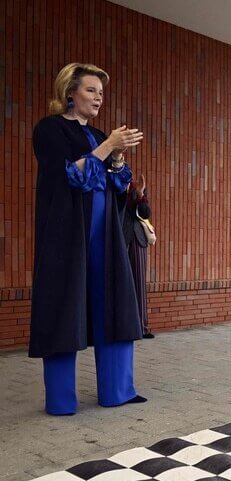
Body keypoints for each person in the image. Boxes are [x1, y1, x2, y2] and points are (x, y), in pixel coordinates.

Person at [30, 62, 147, 415]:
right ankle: (62, 401)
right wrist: (108, 145)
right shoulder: (49, 130)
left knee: (113, 303)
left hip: (104, 233)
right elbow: (71, 176)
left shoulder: (97, 135)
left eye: (101, 92)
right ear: (70, 93)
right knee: (64, 307)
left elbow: (114, 183)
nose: (98, 97)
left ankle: (117, 390)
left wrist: (117, 160)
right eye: (91, 90)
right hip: (68, 235)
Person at [124, 174, 153, 339]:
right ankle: (124, 327)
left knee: (139, 283)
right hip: (119, 239)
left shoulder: (138, 191)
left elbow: (146, 213)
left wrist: (141, 193)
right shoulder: (115, 189)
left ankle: (141, 327)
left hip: (136, 239)